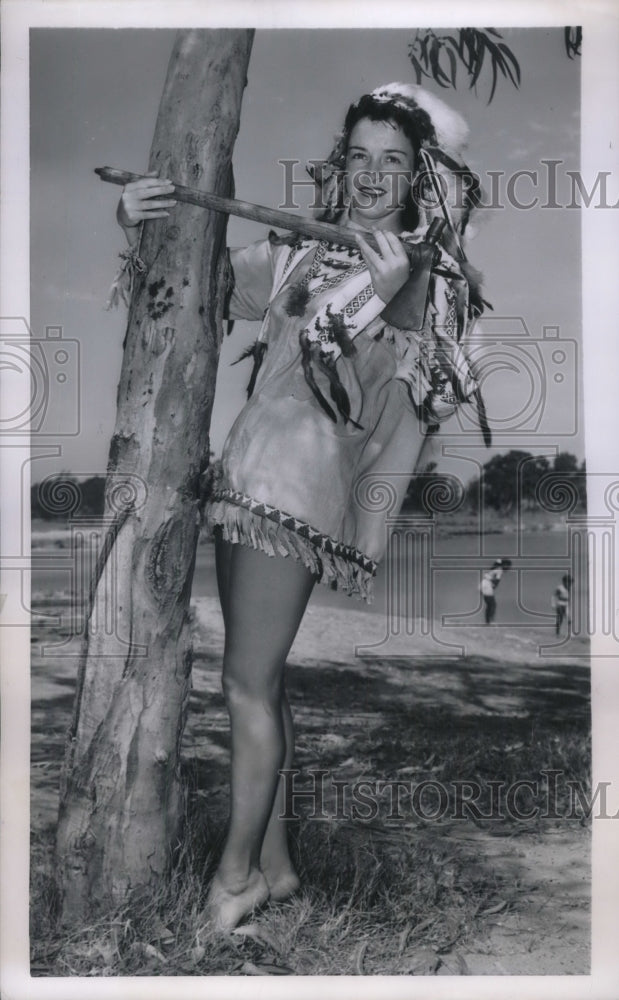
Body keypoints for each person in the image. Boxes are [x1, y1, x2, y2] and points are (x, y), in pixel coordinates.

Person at [115, 82, 488, 931]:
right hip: (246, 475)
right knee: (261, 683)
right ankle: (275, 866)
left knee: (243, 685)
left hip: (298, 489)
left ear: (421, 175)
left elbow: (413, 396)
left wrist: (393, 292)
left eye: (392, 161)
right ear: (339, 161)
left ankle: (235, 873)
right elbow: (196, 283)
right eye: (357, 155)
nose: (370, 174)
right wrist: (138, 222)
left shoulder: (424, 279)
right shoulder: (299, 255)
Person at [480, 559, 506, 625]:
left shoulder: (493, 569)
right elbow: (496, 581)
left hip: (483, 585)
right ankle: (490, 621)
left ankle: (487, 622)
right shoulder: (499, 570)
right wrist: (494, 585)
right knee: (492, 605)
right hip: (487, 586)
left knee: (489, 605)